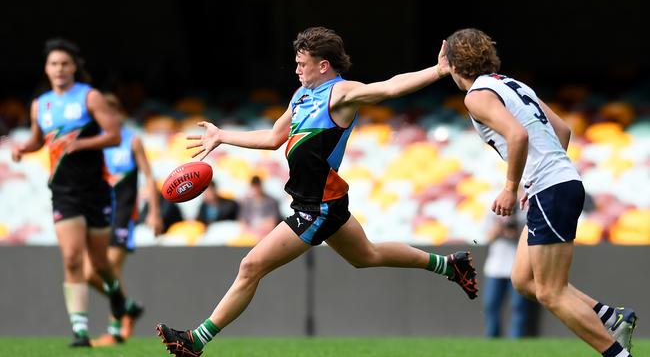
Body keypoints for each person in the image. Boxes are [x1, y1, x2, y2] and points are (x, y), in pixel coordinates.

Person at [155, 26, 477, 357]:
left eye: (302, 63)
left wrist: (438, 70)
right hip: (319, 201)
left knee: (251, 266)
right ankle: (450, 265)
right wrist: (223, 136)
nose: (296, 70)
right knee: (367, 255)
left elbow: (391, 87)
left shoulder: (341, 93)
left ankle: (196, 340)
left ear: (323, 65)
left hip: (318, 206)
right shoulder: (301, 97)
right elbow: (272, 138)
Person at [443, 28, 636, 356]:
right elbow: (563, 129)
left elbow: (517, 136)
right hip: (557, 184)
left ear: (453, 64)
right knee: (523, 280)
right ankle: (612, 316)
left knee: (550, 292)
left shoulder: (476, 95)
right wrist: (538, 177)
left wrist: (510, 187)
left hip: (551, 188)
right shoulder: (510, 83)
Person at [10, 38, 129, 347]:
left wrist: (82, 144)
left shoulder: (90, 98)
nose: (59, 69)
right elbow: (39, 140)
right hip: (63, 190)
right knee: (73, 257)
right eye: (54, 64)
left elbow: (115, 136)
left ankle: (116, 295)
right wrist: (25, 148)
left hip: (95, 190)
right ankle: (80, 330)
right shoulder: (41, 104)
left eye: (65, 63)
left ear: (74, 66)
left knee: (100, 263)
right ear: (46, 69)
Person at [85, 93, 164, 346]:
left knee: (111, 272)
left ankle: (115, 330)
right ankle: (128, 306)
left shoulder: (132, 141)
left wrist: (154, 212)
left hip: (122, 217)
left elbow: (149, 177)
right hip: (98, 215)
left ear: (118, 114)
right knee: (89, 273)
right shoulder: (97, 143)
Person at [482, 205, 535, 338]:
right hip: (495, 268)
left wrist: (515, 231)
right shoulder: (493, 214)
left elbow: (530, 239)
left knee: (518, 307)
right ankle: (492, 338)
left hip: (517, 266)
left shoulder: (524, 214)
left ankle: (515, 341)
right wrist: (500, 226)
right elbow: (486, 238)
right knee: (491, 305)